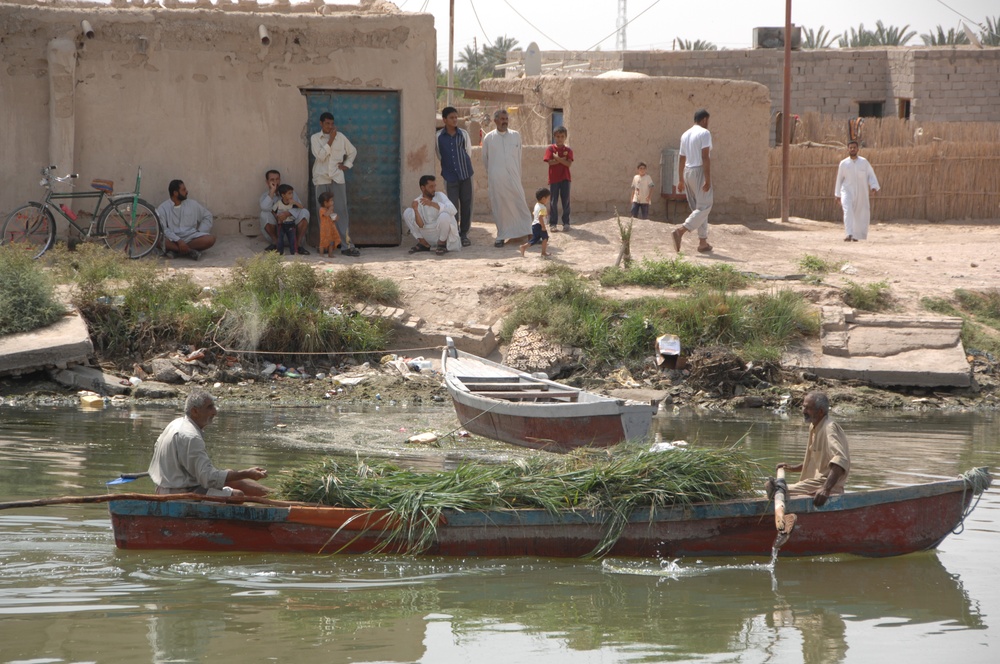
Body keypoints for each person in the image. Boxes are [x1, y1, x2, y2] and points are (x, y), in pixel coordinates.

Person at [148, 390, 270, 499]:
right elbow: (207, 478)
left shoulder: (177, 423)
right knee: (237, 496)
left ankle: (275, 495)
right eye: (209, 407)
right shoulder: (191, 437)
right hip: (178, 493)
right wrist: (246, 473)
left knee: (229, 476)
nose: (215, 412)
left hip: (166, 487)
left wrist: (237, 475)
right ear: (195, 411)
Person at [772, 391, 851, 508]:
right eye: (803, 407)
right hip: (814, 482)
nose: (803, 411)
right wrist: (793, 468)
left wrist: (825, 489)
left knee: (775, 490)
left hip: (825, 484)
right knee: (774, 488)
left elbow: (840, 460)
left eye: (808, 408)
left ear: (820, 412)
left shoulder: (829, 428)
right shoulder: (814, 426)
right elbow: (815, 460)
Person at [481, 109, 532, 248]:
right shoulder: (489, 138)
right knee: (500, 207)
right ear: (495, 120)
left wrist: (515, 172)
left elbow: (519, 156)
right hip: (497, 179)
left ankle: (529, 232)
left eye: (506, 119)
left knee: (520, 203)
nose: (505, 121)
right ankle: (502, 235)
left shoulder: (516, 136)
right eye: (502, 119)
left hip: (514, 177)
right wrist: (494, 172)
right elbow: (485, 159)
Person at [311, 112, 360, 257]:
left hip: (337, 179)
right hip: (321, 179)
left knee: (341, 211)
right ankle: (325, 245)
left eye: (332, 123)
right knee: (323, 213)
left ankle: (347, 246)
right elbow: (320, 156)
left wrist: (347, 165)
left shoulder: (341, 137)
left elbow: (353, 152)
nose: (330, 126)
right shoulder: (315, 138)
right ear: (321, 124)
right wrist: (331, 140)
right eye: (327, 123)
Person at [672, 109, 714, 254]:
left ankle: (703, 242)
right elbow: (705, 157)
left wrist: (681, 179)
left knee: (698, 208)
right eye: (708, 121)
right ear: (704, 120)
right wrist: (707, 179)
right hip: (699, 171)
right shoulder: (704, 133)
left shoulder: (685, 134)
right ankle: (681, 231)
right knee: (705, 207)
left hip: (688, 172)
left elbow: (681, 157)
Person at [436, 106, 474, 247]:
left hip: (465, 174)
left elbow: (468, 152)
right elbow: (439, 154)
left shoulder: (463, 134)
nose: (454, 120)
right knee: (452, 206)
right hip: (449, 176)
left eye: (456, 117)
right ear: (444, 120)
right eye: (451, 118)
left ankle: (464, 234)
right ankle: (455, 233)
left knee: (466, 204)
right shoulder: (439, 136)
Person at [156, 180, 215, 260]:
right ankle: (190, 251)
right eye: (183, 190)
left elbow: (207, 216)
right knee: (156, 239)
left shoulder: (192, 204)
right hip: (172, 239)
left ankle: (175, 251)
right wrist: (179, 241)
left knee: (210, 239)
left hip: (191, 238)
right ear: (175, 193)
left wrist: (200, 231)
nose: (186, 191)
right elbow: (163, 229)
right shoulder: (163, 208)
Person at [403, 175, 461, 256]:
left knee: (445, 215)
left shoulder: (440, 195)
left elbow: (453, 210)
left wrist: (432, 204)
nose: (434, 189)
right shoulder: (417, 201)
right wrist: (416, 210)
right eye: (431, 187)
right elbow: (420, 225)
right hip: (427, 234)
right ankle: (424, 244)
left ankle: (441, 244)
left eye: (434, 186)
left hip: (441, 233)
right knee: (407, 212)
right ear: (423, 188)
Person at [835, 140, 881, 241]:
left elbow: (870, 175)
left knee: (860, 213)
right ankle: (849, 234)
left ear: (858, 149)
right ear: (848, 149)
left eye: (854, 148)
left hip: (861, 192)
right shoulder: (843, 163)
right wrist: (837, 194)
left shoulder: (864, 162)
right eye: (850, 148)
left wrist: (873, 186)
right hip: (846, 191)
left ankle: (857, 236)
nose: (852, 149)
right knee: (848, 211)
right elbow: (839, 179)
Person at [259, 169, 308, 254]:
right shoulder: (265, 196)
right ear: (267, 182)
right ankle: (276, 243)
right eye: (272, 180)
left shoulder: (290, 193)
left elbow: (299, 207)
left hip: (291, 228)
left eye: (277, 179)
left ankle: (298, 244)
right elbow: (264, 208)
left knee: (305, 212)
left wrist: (287, 213)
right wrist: (272, 192)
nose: (275, 182)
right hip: (278, 230)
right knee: (264, 214)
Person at [544, 126, 574, 231]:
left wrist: (556, 158)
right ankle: (553, 223)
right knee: (553, 201)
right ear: (554, 137)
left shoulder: (568, 150)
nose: (560, 138)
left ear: (565, 137)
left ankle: (566, 222)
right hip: (554, 179)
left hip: (565, 178)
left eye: (562, 136)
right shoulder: (550, 149)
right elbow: (550, 163)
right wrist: (560, 159)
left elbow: (568, 164)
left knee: (566, 200)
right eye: (558, 136)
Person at [272, 184, 304, 255]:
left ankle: (294, 251)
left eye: (292, 193)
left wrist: (295, 202)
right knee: (280, 239)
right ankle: (279, 252)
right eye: (289, 193)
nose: (291, 195)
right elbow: (273, 211)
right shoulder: (278, 203)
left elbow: (301, 207)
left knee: (293, 238)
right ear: (283, 195)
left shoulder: (292, 203)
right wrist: (277, 217)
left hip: (290, 224)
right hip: (281, 224)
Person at [519, 187, 551, 258]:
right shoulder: (543, 208)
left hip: (535, 225)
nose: (548, 200)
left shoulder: (537, 205)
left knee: (534, 239)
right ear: (543, 198)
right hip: (539, 225)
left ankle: (523, 247)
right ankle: (543, 252)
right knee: (545, 238)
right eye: (547, 198)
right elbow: (540, 217)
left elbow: (534, 213)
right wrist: (543, 227)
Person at [318, 191, 341, 259]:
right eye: (331, 201)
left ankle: (330, 254)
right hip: (324, 229)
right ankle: (321, 254)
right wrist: (330, 209)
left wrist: (336, 217)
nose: (332, 202)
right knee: (322, 242)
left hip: (331, 228)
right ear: (325, 202)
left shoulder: (330, 210)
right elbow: (326, 214)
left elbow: (332, 217)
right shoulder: (322, 209)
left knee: (331, 242)